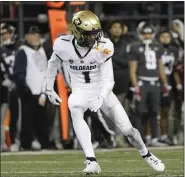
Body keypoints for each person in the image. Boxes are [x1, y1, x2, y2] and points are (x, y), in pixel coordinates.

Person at [46, 11, 165, 175]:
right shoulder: (63, 44)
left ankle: (146, 153)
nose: (94, 37)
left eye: (95, 32)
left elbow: (109, 80)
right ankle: (91, 160)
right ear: (77, 32)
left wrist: (101, 97)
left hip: (102, 90)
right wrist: (48, 88)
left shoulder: (103, 45)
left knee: (128, 131)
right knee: (74, 106)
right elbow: (52, 63)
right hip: (80, 90)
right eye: (89, 33)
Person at [128, 23, 171, 147]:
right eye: (144, 33)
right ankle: (139, 138)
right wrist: (135, 85)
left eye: (149, 33)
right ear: (140, 34)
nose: (147, 36)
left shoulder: (157, 47)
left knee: (154, 111)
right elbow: (132, 69)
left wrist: (165, 84)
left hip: (155, 82)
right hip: (142, 82)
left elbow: (160, 66)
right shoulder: (135, 47)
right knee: (140, 112)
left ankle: (154, 138)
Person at [14, 26, 49, 150]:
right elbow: (19, 73)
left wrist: (44, 93)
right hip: (28, 92)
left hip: (42, 92)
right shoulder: (23, 51)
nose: (36, 37)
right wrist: (25, 89)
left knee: (42, 121)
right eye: (32, 34)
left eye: (37, 34)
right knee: (26, 121)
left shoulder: (43, 51)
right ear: (26, 37)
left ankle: (45, 143)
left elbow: (46, 72)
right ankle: (26, 144)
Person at [157, 29, 182, 145]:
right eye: (163, 36)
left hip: (170, 83)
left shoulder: (174, 50)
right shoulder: (155, 49)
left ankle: (168, 135)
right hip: (156, 82)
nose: (165, 38)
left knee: (168, 111)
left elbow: (176, 69)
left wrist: (178, 84)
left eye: (167, 36)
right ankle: (156, 136)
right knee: (156, 111)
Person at [0, 23, 19, 152]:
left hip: (16, 85)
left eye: (6, 33)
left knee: (17, 116)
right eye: (2, 34)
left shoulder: (19, 48)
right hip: (4, 86)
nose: (4, 36)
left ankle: (16, 141)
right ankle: (2, 142)